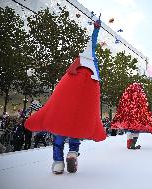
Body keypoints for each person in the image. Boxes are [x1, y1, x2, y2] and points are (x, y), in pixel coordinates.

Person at [25, 18, 106, 174]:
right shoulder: (93, 77)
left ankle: (58, 164)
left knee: (58, 139)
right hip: (80, 118)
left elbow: (55, 99)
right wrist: (96, 29)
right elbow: (93, 45)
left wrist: (95, 29)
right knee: (75, 133)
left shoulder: (70, 75)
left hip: (60, 116)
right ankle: (73, 153)